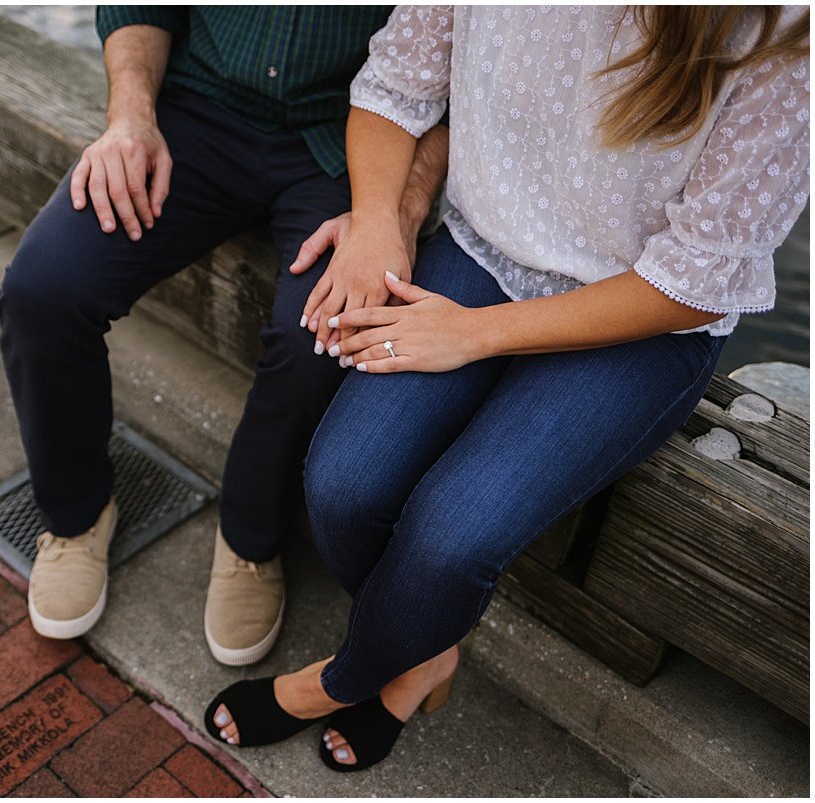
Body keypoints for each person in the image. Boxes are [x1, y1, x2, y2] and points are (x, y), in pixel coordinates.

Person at [205, 5, 809, 773]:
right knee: (343, 483)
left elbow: (695, 279)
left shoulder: (783, 29)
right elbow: (395, 87)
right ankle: (423, 654)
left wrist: (473, 333)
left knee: (450, 540)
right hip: (481, 244)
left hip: (641, 314)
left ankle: (340, 678)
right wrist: (379, 221)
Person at [0, 7, 450, 660]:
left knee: (320, 335)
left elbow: (468, 86)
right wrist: (129, 115)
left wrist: (396, 215)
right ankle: (76, 516)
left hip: (353, 147)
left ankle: (250, 540)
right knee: (42, 291)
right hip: (193, 112)